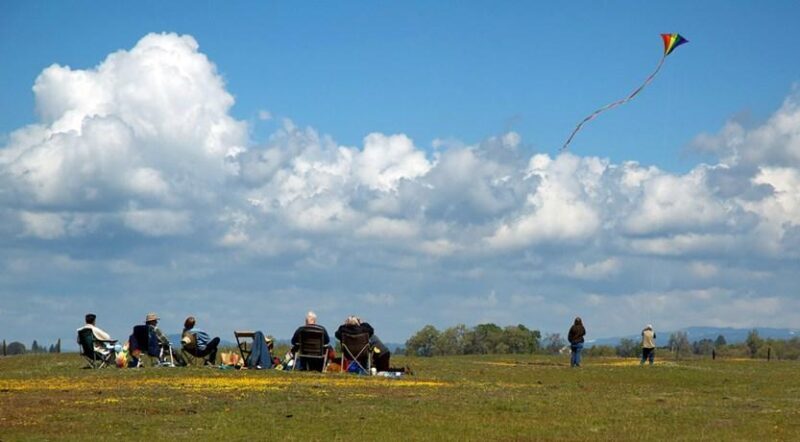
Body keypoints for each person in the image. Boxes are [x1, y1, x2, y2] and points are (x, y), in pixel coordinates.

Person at [335, 316, 410, 374]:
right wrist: (362, 323)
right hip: (363, 353)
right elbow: (371, 330)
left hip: (349, 354)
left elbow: (336, 334)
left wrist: (345, 324)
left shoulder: (343, 332)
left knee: (381, 371)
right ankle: (402, 370)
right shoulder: (364, 331)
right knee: (382, 371)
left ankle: (401, 370)